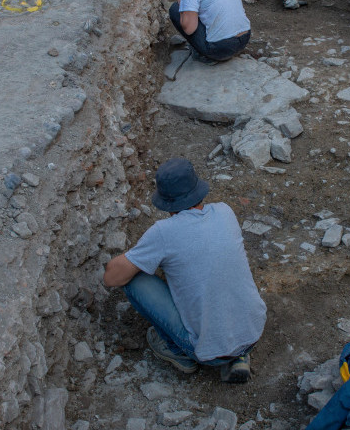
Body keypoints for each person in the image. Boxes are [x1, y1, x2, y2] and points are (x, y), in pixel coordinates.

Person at [102, 158, 266, 383]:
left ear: (166, 202)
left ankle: (179, 351)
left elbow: (112, 277)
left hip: (209, 353)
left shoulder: (163, 232)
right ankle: (240, 355)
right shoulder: (225, 211)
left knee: (134, 280)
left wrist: (139, 257)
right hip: (253, 332)